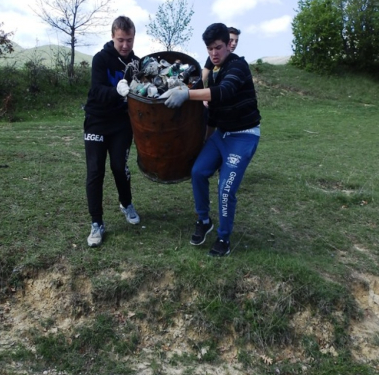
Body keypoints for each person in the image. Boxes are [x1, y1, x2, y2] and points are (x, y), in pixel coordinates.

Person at [159, 23, 260, 257]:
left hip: (244, 136)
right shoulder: (213, 73)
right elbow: (213, 115)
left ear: (228, 45)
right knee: (198, 171)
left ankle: (224, 237)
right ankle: (204, 221)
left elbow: (224, 92)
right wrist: (205, 143)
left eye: (218, 47)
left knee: (225, 189)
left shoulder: (238, 65)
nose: (214, 53)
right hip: (221, 134)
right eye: (209, 49)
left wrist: (187, 94)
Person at [83, 16, 140, 247]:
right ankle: (96, 222)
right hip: (96, 120)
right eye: (120, 40)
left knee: (119, 166)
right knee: (95, 171)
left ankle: (126, 203)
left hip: (121, 124)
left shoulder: (137, 63)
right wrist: (117, 92)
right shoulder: (101, 59)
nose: (125, 45)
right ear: (112, 37)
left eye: (129, 40)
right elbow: (96, 90)